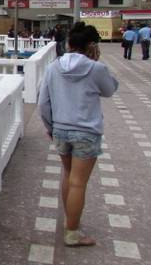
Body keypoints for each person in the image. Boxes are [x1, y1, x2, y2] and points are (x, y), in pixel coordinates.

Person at [39, 22, 118, 247]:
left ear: (69, 43)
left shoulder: (54, 67)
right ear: (92, 46)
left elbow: (43, 102)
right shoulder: (96, 69)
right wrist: (96, 62)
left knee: (68, 175)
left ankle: (69, 220)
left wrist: (51, 128)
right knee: (78, 182)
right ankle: (72, 232)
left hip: (61, 129)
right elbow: (110, 90)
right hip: (86, 132)